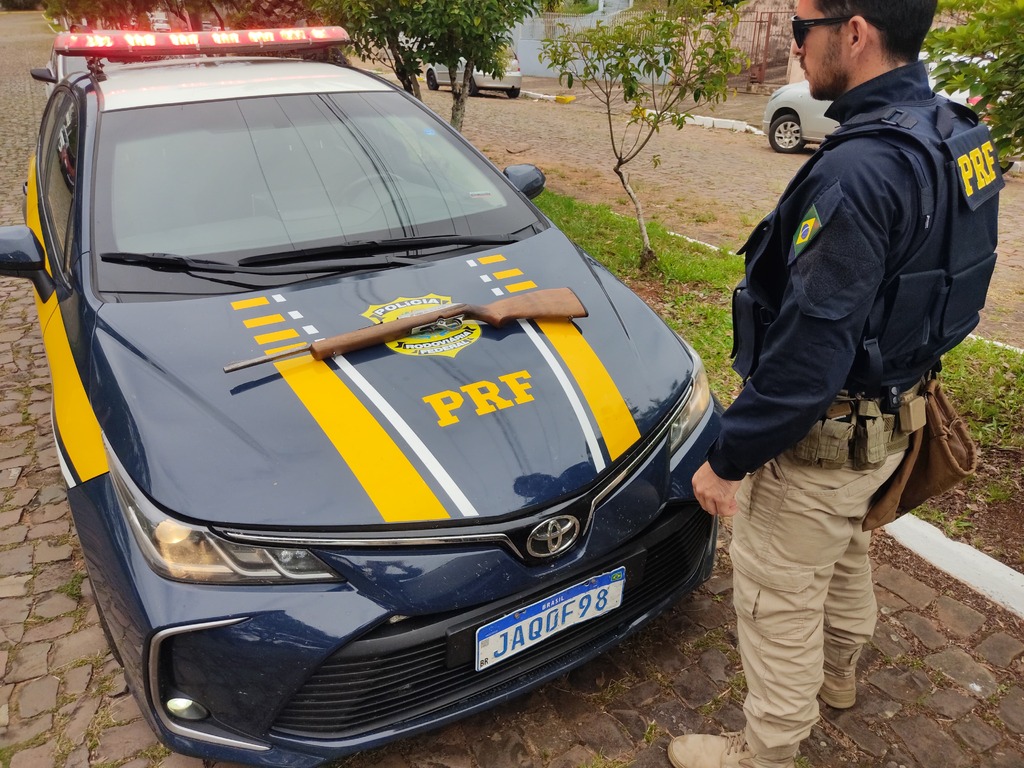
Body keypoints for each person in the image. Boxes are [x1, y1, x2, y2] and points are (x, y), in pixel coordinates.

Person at [668, 1, 1002, 767]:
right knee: (846, 547)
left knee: (778, 593)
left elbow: (807, 355)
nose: (795, 44)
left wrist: (729, 459)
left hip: (822, 440)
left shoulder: (860, 169)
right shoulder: (956, 131)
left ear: (853, 33)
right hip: (896, 415)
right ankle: (841, 672)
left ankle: (767, 750)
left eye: (799, 27)